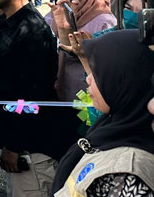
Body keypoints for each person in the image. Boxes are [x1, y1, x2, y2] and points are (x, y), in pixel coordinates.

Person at [0, 0, 76, 196]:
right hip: (20, 143)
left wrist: (14, 146)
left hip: (33, 149)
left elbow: (32, 93)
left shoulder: (32, 29)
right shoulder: (8, 22)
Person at [52, 31, 154, 197]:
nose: (88, 79)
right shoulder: (114, 127)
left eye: (99, 74)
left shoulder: (127, 175)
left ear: (123, 84)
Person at [46, 0, 116, 102]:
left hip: (90, 101)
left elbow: (107, 67)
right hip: (59, 94)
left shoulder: (104, 21)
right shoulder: (57, 11)